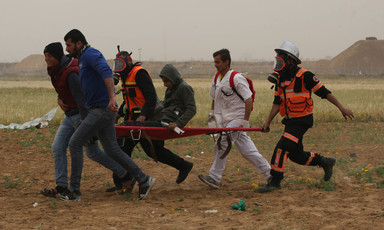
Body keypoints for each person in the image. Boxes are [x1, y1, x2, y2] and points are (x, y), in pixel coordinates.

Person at [64, 29, 155, 200]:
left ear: (78, 43)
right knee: (112, 150)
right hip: (99, 110)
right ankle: (144, 179)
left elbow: (107, 72)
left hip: (101, 110)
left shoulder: (91, 54)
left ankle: (74, 192)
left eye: (68, 45)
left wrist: (112, 98)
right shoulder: (82, 59)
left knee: (75, 143)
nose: (67, 49)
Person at [257, 40, 354, 193]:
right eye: (278, 57)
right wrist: (267, 122)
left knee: (282, 148)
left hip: (302, 120)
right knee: (296, 155)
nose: (278, 60)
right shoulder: (280, 79)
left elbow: (324, 93)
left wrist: (341, 108)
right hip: (290, 121)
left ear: (290, 59)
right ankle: (324, 161)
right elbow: (277, 102)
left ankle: (275, 181)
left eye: (281, 56)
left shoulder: (305, 76)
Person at [40, 42, 131, 201]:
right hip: (70, 116)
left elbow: (82, 98)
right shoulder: (57, 70)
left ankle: (123, 174)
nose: (47, 59)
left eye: (50, 56)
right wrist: (60, 98)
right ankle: (62, 186)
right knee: (59, 147)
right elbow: (64, 90)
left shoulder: (70, 73)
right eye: (45, 56)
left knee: (90, 151)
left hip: (80, 116)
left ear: (57, 56)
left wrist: (84, 123)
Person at [109, 51, 194, 192]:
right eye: (116, 64)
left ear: (129, 62)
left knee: (153, 151)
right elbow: (129, 99)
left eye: (121, 63)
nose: (118, 67)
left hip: (146, 119)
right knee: (123, 149)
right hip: (133, 120)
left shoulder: (139, 73)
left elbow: (151, 97)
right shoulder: (126, 77)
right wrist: (119, 114)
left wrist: (143, 116)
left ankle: (183, 165)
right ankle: (123, 182)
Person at [198, 49, 271, 189]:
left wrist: (244, 122)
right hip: (225, 119)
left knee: (223, 143)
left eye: (218, 62)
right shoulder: (216, 78)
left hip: (237, 118)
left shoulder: (236, 78)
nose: (215, 65)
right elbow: (214, 99)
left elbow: (248, 99)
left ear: (226, 62)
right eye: (214, 62)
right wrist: (212, 119)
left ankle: (214, 177)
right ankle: (270, 174)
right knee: (247, 151)